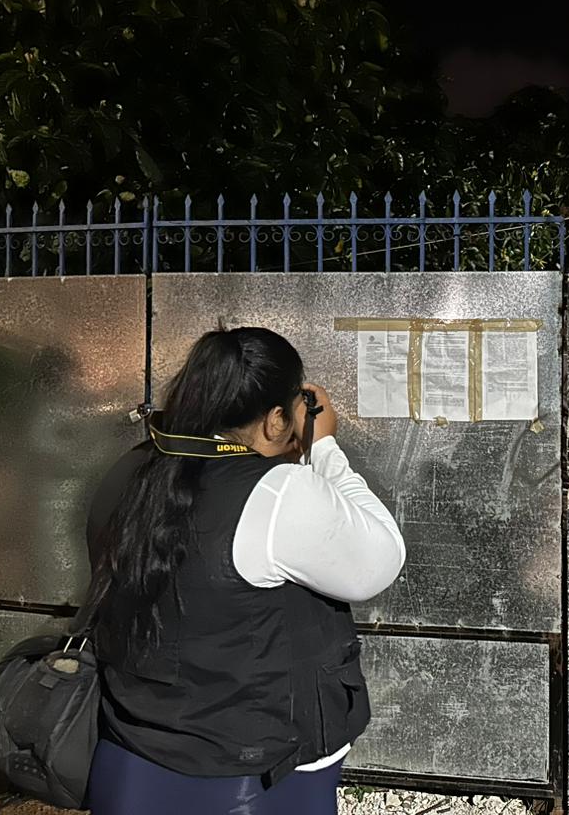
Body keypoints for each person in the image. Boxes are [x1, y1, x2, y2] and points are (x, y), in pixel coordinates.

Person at [82, 326, 405, 815]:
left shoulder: (131, 469)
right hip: (256, 771)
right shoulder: (278, 494)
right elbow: (380, 560)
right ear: (277, 421)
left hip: (133, 742)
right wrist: (323, 447)